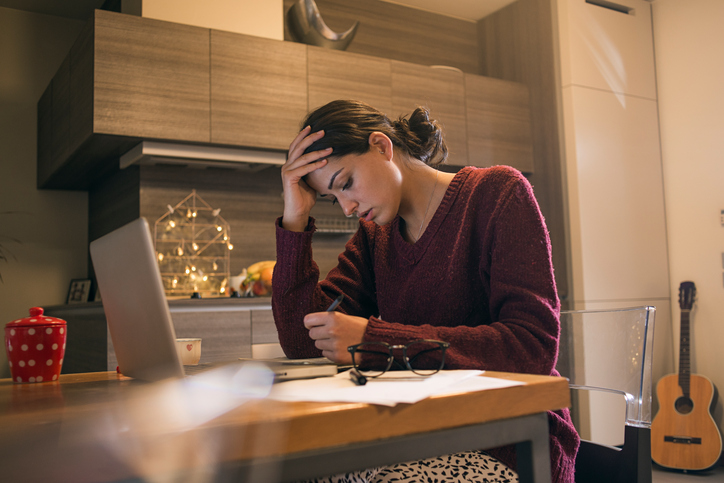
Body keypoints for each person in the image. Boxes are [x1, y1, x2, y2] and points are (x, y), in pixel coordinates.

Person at [272, 99, 579, 483]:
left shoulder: (497, 193)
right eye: (334, 199)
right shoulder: (374, 239)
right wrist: (294, 220)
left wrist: (376, 340)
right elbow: (302, 342)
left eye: (346, 183)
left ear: (382, 147)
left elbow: (532, 348)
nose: (347, 208)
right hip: (420, 436)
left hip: (510, 443)